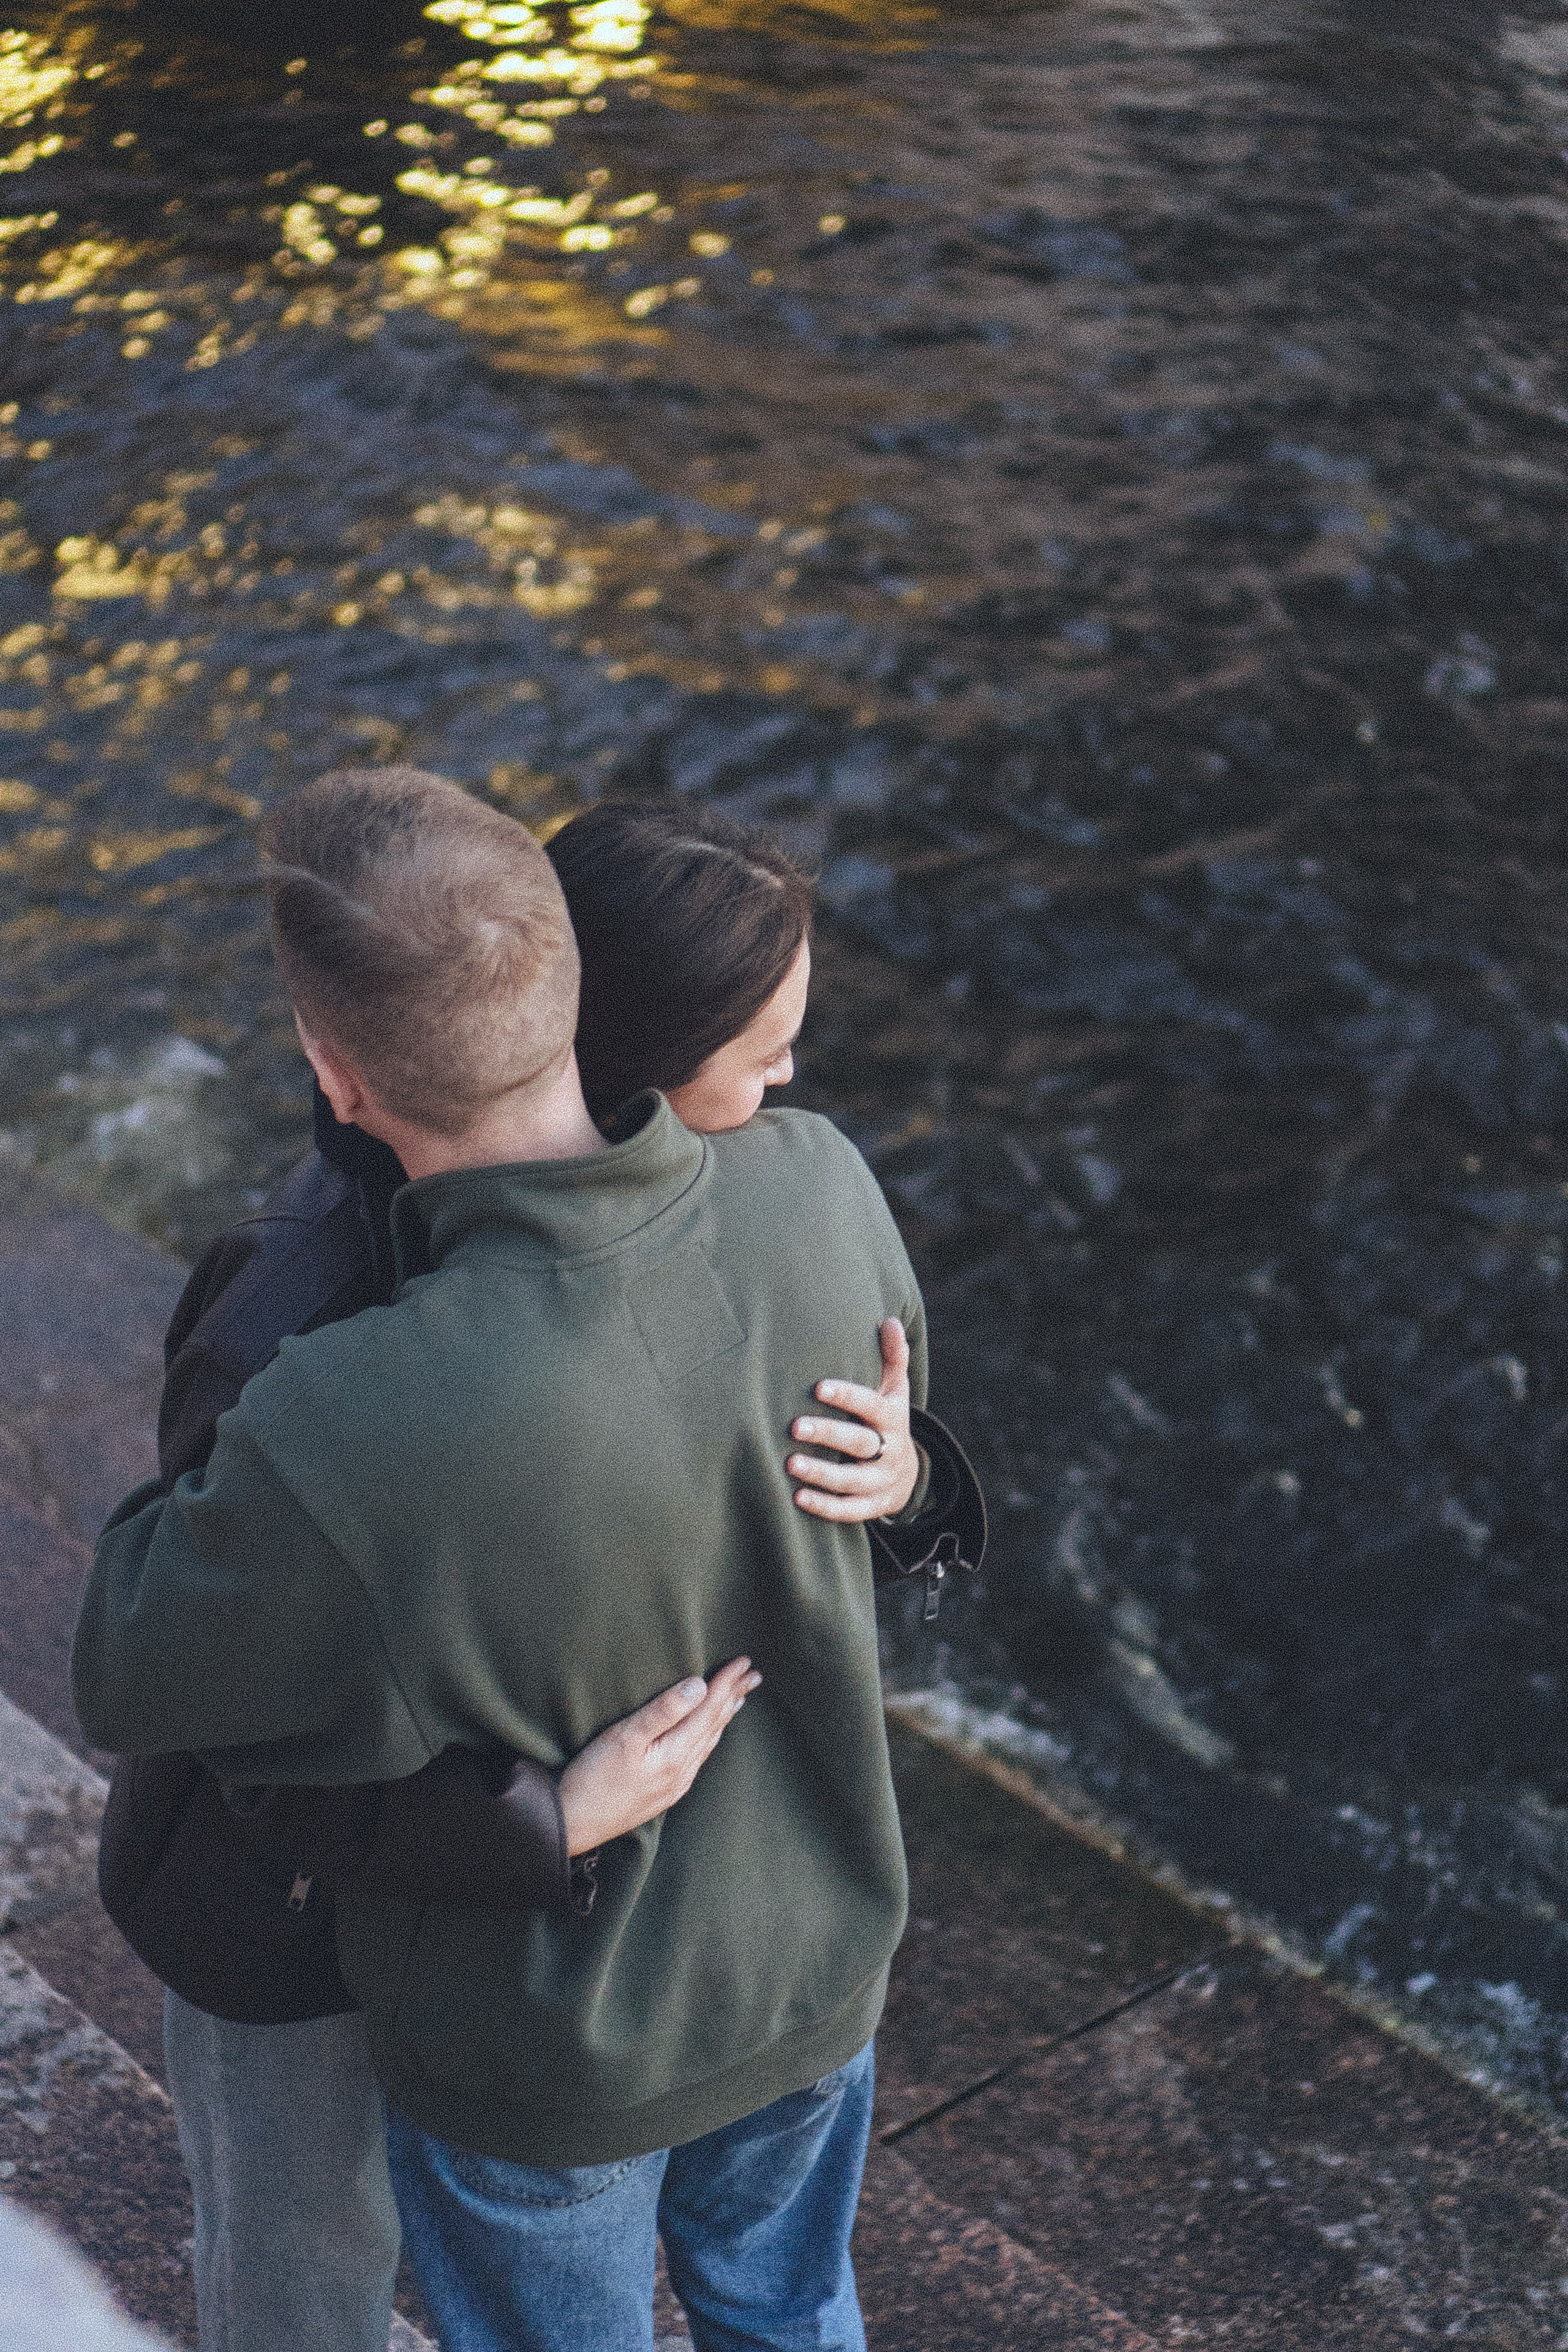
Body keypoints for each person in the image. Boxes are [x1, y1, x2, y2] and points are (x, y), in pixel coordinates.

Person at [74, 766, 929, 2352]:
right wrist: (915, 1476)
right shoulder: (821, 1182)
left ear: (337, 1073)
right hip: (817, 1959)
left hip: (557, 2046)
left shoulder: (341, 1403)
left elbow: (132, 1666)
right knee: (794, 2312)